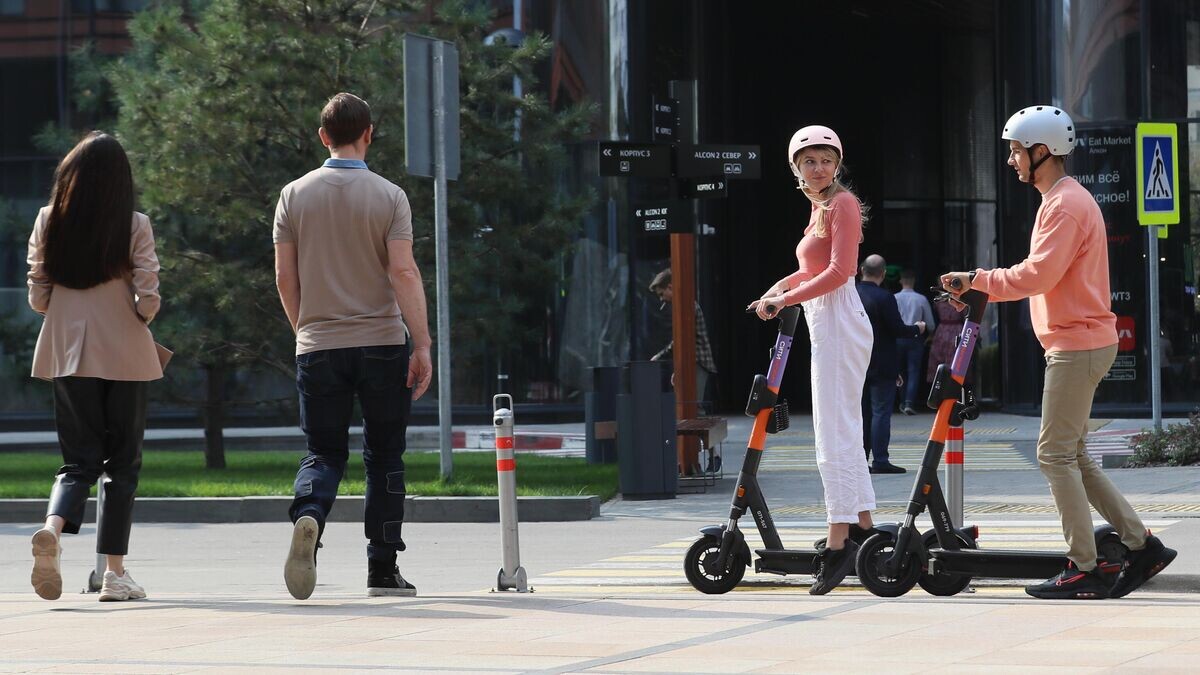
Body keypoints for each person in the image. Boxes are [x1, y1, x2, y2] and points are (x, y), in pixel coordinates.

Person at [941, 105, 1176, 600]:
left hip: (1077, 344)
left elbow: (1037, 275)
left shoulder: (1065, 204)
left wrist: (978, 280)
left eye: (1015, 150)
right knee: (1074, 456)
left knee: (1052, 455)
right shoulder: (1060, 200)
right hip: (1079, 342)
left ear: (1041, 151)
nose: (1010, 160)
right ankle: (1142, 544)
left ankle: (1085, 566)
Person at [274, 93, 433, 600]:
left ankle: (310, 516)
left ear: (323, 136)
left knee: (322, 451)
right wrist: (422, 344)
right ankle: (382, 569)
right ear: (370, 133)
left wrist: (306, 330)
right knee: (385, 457)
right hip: (382, 344)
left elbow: (284, 277)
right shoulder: (389, 197)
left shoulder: (292, 196)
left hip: (318, 342)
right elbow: (404, 272)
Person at [26, 131, 166, 602]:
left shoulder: (49, 220)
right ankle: (114, 574)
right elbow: (148, 292)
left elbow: (37, 293)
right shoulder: (135, 224)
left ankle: (51, 529)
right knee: (122, 464)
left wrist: (66, 313)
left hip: (66, 349)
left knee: (77, 461)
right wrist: (140, 316)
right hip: (125, 349)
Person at [751, 125, 876, 595]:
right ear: (796, 169)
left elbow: (841, 271)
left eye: (826, 159)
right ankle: (862, 524)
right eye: (809, 161)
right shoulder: (820, 206)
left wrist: (785, 301)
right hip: (827, 319)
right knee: (841, 425)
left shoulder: (841, 203)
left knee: (833, 431)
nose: (818, 167)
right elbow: (809, 269)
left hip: (839, 316)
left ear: (837, 163)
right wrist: (776, 290)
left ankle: (839, 538)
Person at [857, 255, 924, 474]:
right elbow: (897, 329)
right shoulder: (884, 297)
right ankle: (880, 460)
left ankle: (860, 460)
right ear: (883, 273)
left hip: (855, 363)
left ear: (860, 270)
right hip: (882, 364)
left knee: (861, 414)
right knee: (880, 412)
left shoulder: (850, 295)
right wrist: (917, 328)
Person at [648, 268, 718, 410]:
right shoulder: (682, 306)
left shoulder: (687, 306)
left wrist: (659, 356)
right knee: (686, 407)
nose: (661, 299)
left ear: (670, 287)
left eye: (661, 294)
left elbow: (683, 340)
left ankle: (696, 432)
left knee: (694, 407)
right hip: (692, 361)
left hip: (698, 361)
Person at [894, 269, 935, 415]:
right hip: (916, 337)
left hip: (898, 338)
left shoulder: (894, 298)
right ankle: (909, 403)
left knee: (898, 371)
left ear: (901, 281)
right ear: (914, 281)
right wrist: (930, 333)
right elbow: (930, 323)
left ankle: (902, 401)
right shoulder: (921, 299)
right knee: (914, 371)